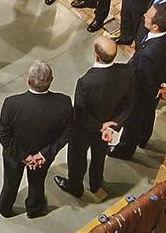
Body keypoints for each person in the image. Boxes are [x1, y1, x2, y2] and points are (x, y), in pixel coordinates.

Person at [53, 37, 134, 203]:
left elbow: (80, 114)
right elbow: (128, 104)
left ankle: (75, 186)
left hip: (84, 130)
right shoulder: (126, 72)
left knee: (77, 158)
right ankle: (96, 183)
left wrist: (100, 126)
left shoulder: (86, 82)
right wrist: (111, 127)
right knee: (99, 156)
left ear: (96, 56)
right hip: (107, 130)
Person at [0, 61, 72, 219]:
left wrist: (23, 156)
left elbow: (4, 135)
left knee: (11, 181)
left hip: (15, 154)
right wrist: (42, 154)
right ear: (51, 80)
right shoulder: (64, 102)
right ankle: (34, 209)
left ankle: (4, 207)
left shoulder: (12, 104)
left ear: (28, 80)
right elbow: (67, 132)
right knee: (37, 181)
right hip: (43, 155)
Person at [109, 6, 166, 160]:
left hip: (141, 91)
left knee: (133, 119)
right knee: (148, 112)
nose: (144, 15)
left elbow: (144, 79)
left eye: (148, 16)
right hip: (157, 82)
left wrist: (150, 90)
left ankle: (125, 149)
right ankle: (143, 137)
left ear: (155, 27)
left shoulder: (148, 55)